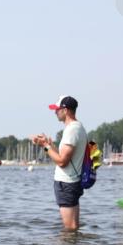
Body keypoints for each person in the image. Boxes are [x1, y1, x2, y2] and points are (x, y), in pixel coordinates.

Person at [30, 96, 87, 231]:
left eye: (57, 109)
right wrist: (48, 144)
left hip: (67, 183)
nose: (55, 112)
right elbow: (62, 156)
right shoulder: (76, 127)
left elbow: (62, 162)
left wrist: (45, 146)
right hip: (71, 182)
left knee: (70, 228)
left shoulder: (72, 130)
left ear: (65, 110)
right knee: (73, 227)